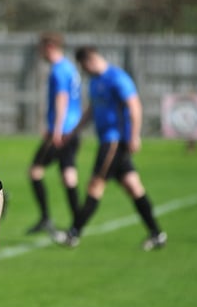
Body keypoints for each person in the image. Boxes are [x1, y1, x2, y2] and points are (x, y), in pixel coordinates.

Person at [54, 46, 167, 250]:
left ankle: (73, 233)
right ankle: (157, 234)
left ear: (89, 61)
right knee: (133, 186)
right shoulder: (95, 82)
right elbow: (91, 110)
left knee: (95, 186)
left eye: (83, 66)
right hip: (108, 141)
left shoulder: (117, 78)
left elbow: (135, 106)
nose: (84, 71)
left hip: (114, 142)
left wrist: (134, 136)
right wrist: (73, 132)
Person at [26, 31, 82, 235]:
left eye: (41, 47)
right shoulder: (70, 68)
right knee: (68, 175)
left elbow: (62, 99)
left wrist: (55, 130)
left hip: (61, 131)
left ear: (49, 46)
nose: (39, 52)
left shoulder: (58, 70)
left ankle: (46, 218)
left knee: (35, 171)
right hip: (73, 130)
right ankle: (78, 222)